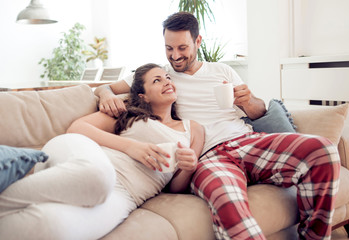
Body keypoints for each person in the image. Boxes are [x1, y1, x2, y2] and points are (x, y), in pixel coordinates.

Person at [93, 12, 340, 240]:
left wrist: (248, 101)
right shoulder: (161, 75)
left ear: (198, 41)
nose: (175, 55)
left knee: (323, 150)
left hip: (247, 141)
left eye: (182, 48)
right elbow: (103, 87)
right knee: (227, 201)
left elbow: (257, 111)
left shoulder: (222, 70)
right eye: (169, 48)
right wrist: (105, 96)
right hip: (208, 157)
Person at [0, 63, 204, 240]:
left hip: (126, 194)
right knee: (99, 177)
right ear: (144, 96)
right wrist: (132, 147)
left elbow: (175, 187)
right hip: (81, 157)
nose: (167, 82)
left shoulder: (193, 129)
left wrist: (189, 167)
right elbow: (77, 128)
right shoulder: (130, 113)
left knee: (51, 228)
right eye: (157, 80)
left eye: (168, 78)